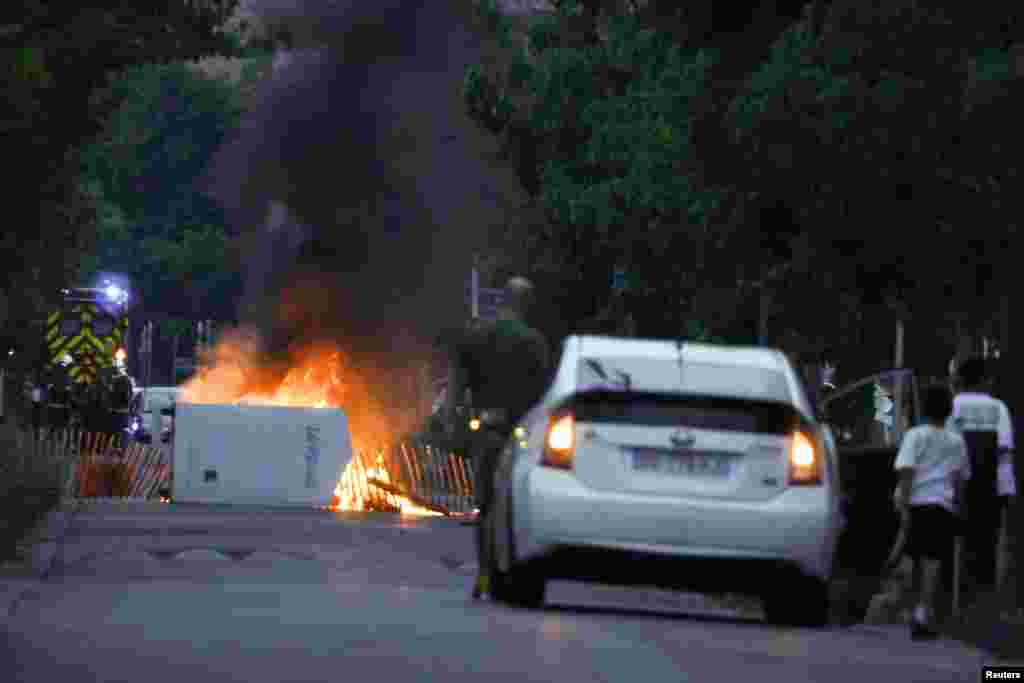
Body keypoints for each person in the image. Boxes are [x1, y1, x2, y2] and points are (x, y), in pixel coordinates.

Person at [453, 276, 552, 600]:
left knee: (485, 506)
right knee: (515, 504)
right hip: (522, 435)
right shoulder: (534, 342)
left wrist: (461, 425)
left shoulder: (477, 336)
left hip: (488, 431)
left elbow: (458, 388)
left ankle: (483, 573)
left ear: (503, 301)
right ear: (526, 304)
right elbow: (544, 395)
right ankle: (511, 568)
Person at [892, 383, 971, 639]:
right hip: (942, 505)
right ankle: (922, 612)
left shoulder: (915, 435)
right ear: (948, 411)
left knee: (910, 558)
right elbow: (960, 479)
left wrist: (903, 505)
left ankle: (904, 605)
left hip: (916, 503)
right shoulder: (957, 442)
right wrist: (958, 506)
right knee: (932, 562)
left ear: (924, 409)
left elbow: (906, 471)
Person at [947, 356, 1016, 604]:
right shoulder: (998, 408)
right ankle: (984, 599)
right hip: (992, 485)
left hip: (957, 485)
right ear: (985, 380)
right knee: (987, 543)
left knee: (954, 545)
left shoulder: (952, 407)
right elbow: (1004, 449)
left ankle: (954, 597)